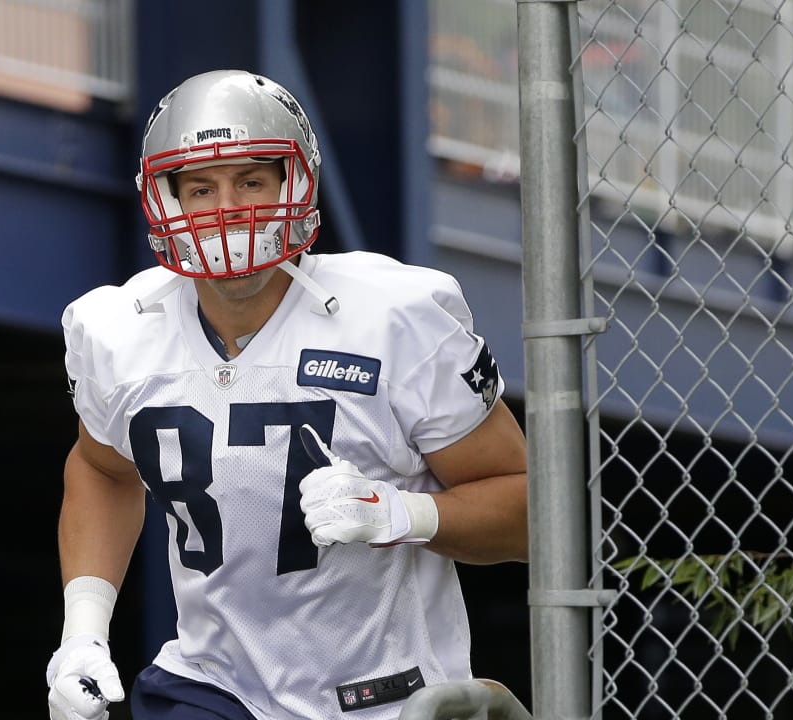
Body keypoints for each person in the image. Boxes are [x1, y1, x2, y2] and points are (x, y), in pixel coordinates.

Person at [44, 69, 529, 720]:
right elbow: (103, 470)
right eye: (200, 188)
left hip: (383, 697)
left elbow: (532, 514)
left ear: (293, 183)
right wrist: (82, 632)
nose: (227, 209)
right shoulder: (118, 330)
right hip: (212, 687)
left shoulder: (394, 316)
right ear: (164, 200)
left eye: (250, 180)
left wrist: (405, 516)